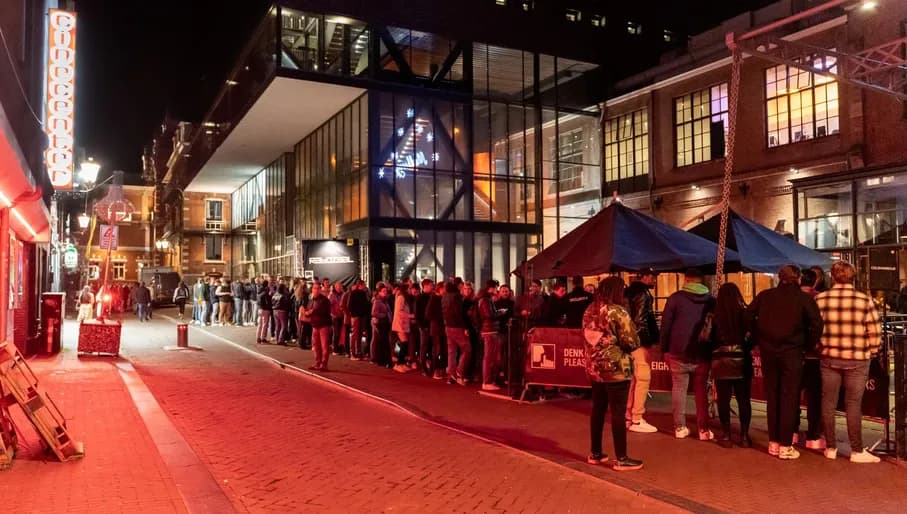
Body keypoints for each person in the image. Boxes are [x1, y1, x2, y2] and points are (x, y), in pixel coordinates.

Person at [747, 265, 823, 460]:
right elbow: (816, 324)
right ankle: (786, 444)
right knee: (789, 397)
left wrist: (758, 337)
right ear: (797, 279)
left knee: (772, 395)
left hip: (768, 351)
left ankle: (774, 441)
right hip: (793, 351)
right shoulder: (804, 300)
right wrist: (807, 344)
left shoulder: (765, 296)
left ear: (779, 278)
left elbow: (747, 316)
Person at [816, 261, 882, 463]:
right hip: (857, 358)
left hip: (829, 357)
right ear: (853, 276)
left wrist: (820, 348)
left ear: (833, 277)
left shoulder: (821, 299)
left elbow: (814, 328)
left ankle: (830, 447)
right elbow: (874, 333)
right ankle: (856, 450)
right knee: (853, 404)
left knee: (828, 403)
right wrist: (871, 352)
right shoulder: (865, 301)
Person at [582, 277, 644, 471]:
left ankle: (595, 452)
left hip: (594, 367)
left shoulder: (590, 309)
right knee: (617, 411)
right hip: (616, 368)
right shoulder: (617, 311)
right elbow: (631, 341)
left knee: (598, 408)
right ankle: (622, 458)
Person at [660, 268, 714, 441]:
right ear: (701, 280)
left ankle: (679, 427)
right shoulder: (711, 301)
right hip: (702, 351)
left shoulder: (675, 299)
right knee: (701, 391)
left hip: (677, 350)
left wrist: (664, 349)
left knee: (679, 389)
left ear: (686, 279)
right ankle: (703, 429)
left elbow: (666, 326)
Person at [709, 283, 753, 448]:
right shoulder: (744, 314)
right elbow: (752, 337)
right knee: (744, 400)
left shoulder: (713, 316)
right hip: (742, 361)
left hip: (721, 362)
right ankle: (744, 436)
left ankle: (726, 435)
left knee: (723, 400)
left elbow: (705, 338)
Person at [624, 269, 659, 434]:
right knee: (643, 378)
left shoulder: (629, 292)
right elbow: (641, 321)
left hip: (628, 341)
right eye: (652, 276)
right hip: (639, 342)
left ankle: (629, 415)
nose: (655, 280)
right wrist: (646, 343)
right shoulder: (643, 294)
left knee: (634, 379)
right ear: (643, 277)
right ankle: (637, 418)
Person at [797, 268, 824, 449]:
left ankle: (790, 431)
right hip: (814, 356)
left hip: (794, 354)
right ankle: (814, 435)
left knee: (791, 395)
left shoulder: (790, 298)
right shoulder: (819, 299)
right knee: (815, 398)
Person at [477, 281, 503, 391]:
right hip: (489, 330)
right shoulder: (486, 300)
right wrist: (500, 313)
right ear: (491, 288)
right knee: (489, 357)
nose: (496, 290)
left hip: (488, 330)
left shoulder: (483, 299)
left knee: (490, 357)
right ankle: (487, 381)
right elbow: (489, 315)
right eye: (496, 288)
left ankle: (489, 381)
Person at [443, 281, 470, 385]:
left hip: (448, 326)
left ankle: (451, 375)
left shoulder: (445, 297)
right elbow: (459, 313)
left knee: (452, 352)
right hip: (457, 327)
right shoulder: (457, 297)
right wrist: (464, 327)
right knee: (467, 349)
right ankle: (459, 371)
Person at [306, 282, 333, 371]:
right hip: (315, 325)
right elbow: (309, 309)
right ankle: (318, 363)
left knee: (324, 346)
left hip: (324, 325)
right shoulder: (312, 299)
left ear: (320, 290)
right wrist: (307, 313)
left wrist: (311, 312)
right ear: (312, 290)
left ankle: (324, 364)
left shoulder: (324, 300)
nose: (316, 290)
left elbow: (321, 310)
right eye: (314, 288)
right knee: (316, 346)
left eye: (318, 288)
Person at [391, 284, 414, 372]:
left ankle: (402, 363)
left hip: (403, 323)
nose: (410, 290)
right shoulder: (401, 297)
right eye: (409, 288)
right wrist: (410, 316)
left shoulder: (403, 297)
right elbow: (399, 311)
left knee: (405, 343)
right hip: (400, 324)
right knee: (404, 343)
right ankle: (399, 364)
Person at [425, 282, 446, 379]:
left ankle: (440, 368)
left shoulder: (441, 298)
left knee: (441, 349)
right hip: (436, 328)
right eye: (444, 288)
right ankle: (434, 370)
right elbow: (428, 314)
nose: (445, 291)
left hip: (441, 328)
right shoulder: (434, 299)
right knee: (436, 350)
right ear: (440, 289)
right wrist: (441, 317)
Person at [415, 279, 434, 375]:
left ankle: (428, 363)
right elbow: (418, 314)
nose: (432, 287)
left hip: (430, 325)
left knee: (429, 345)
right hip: (424, 326)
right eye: (431, 285)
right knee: (424, 346)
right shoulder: (420, 298)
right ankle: (423, 366)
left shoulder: (431, 297)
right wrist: (422, 325)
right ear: (425, 286)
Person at [370, 284, 392, 366]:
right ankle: (380, 359)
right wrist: (384, 315)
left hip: (386, 323)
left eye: (386, 291)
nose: (385, 292)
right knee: (382, 341)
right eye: (383, 291)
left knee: (384, 341)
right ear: (379, 292)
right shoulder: (377, 301)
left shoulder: (385, 300)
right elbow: (374, 313)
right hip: (381, 323)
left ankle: (383, 359)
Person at [349, 280, 370, 360]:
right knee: (355, 334)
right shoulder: (354, 293)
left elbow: (365, 304)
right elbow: (350, 305)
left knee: (359, 335)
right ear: (360, 285)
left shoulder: (364, 293)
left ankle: (358, 352)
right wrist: (354, 315)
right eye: (364, 285)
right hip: (356, 316)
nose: (365, 286)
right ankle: (353, 353)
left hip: (362, 316)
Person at [329, 282, 345, 355]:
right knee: (336, 333)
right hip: (335, 316)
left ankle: (340, 348)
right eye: (338, 287)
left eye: (340, 286)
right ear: (335, 287)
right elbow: (329, 306)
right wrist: (333, 314)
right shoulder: (332, 295)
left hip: (342, 316)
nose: (339, 288)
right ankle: (335, 349)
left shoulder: (343, 294)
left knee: (342, 333)